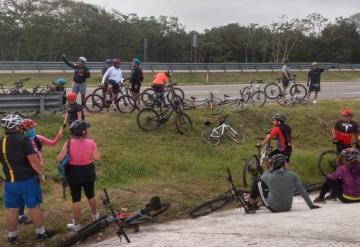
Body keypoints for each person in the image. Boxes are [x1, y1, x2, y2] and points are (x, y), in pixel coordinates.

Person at [0, 114, 56, 243]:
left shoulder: (1, 141)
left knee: (12, 208)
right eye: (19, 125)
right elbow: (33, 160)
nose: (21, 127)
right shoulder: (23, 139)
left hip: (10, 182)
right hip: (27, 180)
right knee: (34, 206)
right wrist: (41, 174)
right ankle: (41, 233)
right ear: (15, 127)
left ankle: (12, 236)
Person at [17, 119, 65, 225]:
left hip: (37, 169)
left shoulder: (37, 138)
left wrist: (59, 134)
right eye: (31, 128)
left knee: (35, 191)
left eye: (34, 127)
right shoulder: (21, 140)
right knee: (24, 192)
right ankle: (20, 215)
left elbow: (53, 143)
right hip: (25, 170)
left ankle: (34, 211)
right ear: (25, 129)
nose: (33, 130)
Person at [56, 120, 101, 232]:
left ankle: (76, 224)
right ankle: (95, 216)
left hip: (73, 173)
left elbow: (59, 158)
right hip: (88, 171)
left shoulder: (68, 143)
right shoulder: (91, 142)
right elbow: (97, 157)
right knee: (91, 194)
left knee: (76, 199)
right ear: (84, 132)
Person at [248, 153, 320, 212]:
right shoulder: (292, 175)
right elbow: (302, 190)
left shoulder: (268, 176)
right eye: (286, 162)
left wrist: (271, 169)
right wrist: (311, 205)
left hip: (273, 208)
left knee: (257, 181)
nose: (287, 163)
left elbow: (261, 177)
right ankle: (259, 204)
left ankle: (251, 204)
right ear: (282, 164)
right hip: (287, 207)